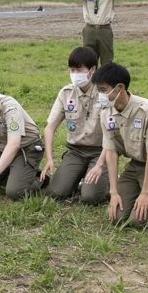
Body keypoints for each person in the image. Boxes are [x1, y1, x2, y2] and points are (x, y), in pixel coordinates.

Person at [91, 63, 148, 228]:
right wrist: (114, 192)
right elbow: (111, 152)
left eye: (103, 90)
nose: (99, 95)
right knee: (116, 217)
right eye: (98, 90)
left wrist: (145, 193)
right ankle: (141, 191)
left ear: (120, 87)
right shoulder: (106, 113)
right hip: (134, 166)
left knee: (139, 221)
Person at [41, 47, 109, 204]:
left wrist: (100, 164)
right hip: (76, 151)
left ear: (93, 70)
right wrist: (49, 158)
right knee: (55, 193)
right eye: (72, 70)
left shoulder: (104, 94)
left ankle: (108, 179)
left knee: (90, 198)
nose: (75, 74)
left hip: (101, 151)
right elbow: (49, 128)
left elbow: (113, 135)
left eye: (79, 69)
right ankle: (78, 176)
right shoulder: (66, 93)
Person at [74, 0, 123, 66]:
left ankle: (105, 82)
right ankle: (91, 82)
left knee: (107, 61)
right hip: (89, 29)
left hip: (104, 29)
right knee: (88, 61)